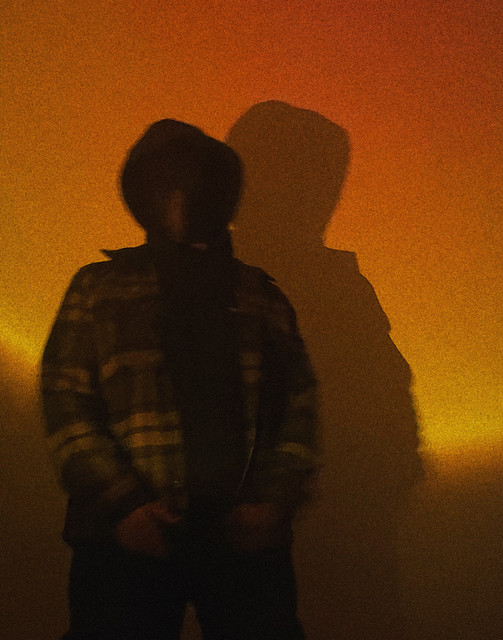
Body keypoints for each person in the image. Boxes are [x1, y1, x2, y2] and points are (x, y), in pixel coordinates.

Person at [41, 119, 318, 640]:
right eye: (166, 187)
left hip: (242, 538)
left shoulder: (261, 296)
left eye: (192, 185)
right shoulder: (98, 289)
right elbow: (66, 403)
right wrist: (123, 506)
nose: (179, 201)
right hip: (124, 540)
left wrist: (270, 503)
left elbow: (299, 407)